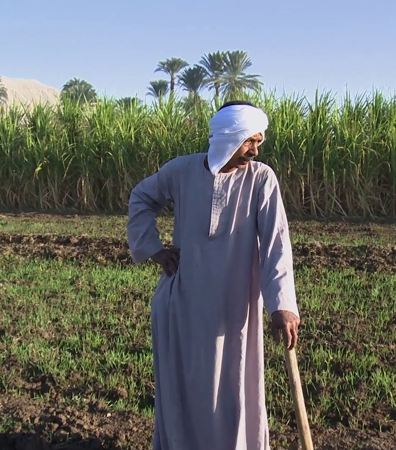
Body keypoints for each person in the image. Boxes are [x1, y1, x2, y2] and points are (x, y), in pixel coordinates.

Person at [126, 100, 301, 450]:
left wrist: (282, 305)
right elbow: (141, 197)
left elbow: (276, 243)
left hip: (233, 307)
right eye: (249, 140)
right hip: (183, 302)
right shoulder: (181, 171)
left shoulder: (261, 179)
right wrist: (154, 248)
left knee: (233, 390)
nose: (254, 150)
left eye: (259, 141)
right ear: (226, 137)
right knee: (184, 387)